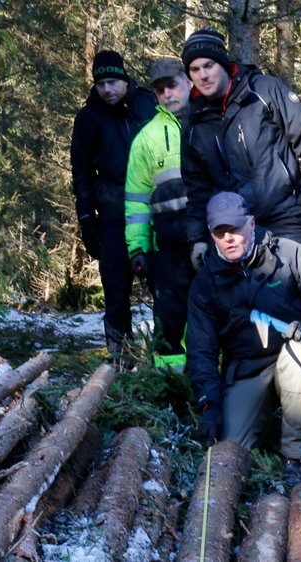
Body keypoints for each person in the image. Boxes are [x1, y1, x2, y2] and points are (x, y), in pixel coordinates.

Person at [186, 191, 301, 486]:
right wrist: (209, 403)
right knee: (231, 447)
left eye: (235, 228)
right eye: (220, 232)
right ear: (211, 235)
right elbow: (201, 352)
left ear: (251, 223)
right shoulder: (205, 284)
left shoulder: (290, 255)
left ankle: (296, 460)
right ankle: (261, 423)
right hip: (247, 370)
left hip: (292, 356)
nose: (229, 238)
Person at [181, 27, 301, 270]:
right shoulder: (194, 122)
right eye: (195, 69)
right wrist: (197, 238)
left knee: (292, 289)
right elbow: (196, 187)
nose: (203, 75)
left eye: (209, 65)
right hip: (232, 230)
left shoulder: (264, 91)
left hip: (285, 217)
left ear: (223, 64)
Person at [70, 50, 157, 364]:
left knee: (164, 290)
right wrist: (87, 221)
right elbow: (81, 172)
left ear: (124, 79)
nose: (107, 89)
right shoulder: (88, 118)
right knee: (116, 293)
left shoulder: (147, 103)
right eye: (101, 83)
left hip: (155, 213)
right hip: (113, 215)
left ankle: (167, 361)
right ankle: (121, 362)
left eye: (112, 82)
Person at [124, 57, 195, 372]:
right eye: (160, 89)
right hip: (167, 247)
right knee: (170, 320)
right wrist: (138, 248)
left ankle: (211, 382)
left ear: (188, 82)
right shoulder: (147, 137)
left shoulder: (211, 121)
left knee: (212, 315)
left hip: (213, 241)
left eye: (172, 86)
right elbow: (136, 199)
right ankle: (169, 382)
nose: (167, 94)